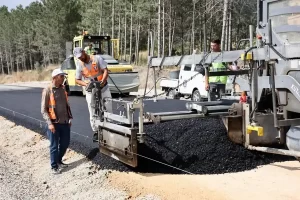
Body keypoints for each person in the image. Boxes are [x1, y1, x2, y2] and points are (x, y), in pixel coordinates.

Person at [73, 47, 112, 142]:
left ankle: (110, 128)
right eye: (78, 57)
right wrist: (85, 84)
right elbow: (77, 79)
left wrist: (103, 80)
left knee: (108, 108)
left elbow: (105, 70)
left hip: (103, 87)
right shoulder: (79, 65)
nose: (80, 58)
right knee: (93, 110)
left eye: (81, 56)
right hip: (91, 90)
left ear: (83, 52)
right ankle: (96, 131)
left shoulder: (97, 58)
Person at [41, 68, 73, 174]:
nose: (63, 78)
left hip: (64, 122)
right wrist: (50, 124)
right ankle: (54, 166)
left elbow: (66, 105)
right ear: (55, 78)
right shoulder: (48, 90)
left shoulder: (63, 89)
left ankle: (59, 160)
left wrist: (69, 118)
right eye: (61, 76)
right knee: (54, 146)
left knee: (65, 143)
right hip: (53, 124)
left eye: (64, 76)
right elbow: (43, 109)